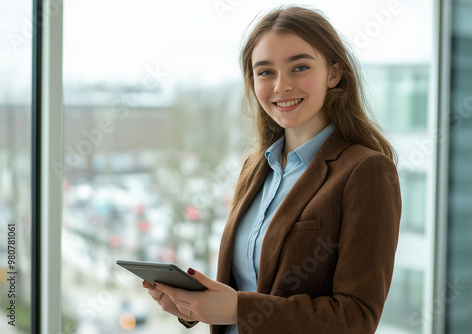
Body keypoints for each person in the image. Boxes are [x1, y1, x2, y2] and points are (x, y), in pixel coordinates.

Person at [143, 5, 401, 334]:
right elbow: (247, 284)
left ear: (334, 73)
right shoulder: (255, 166)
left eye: (300, 67)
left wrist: (239, 308)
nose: (281, 86)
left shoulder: (366, 171)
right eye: (266, 72)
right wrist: (193, 304)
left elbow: (357, 318)